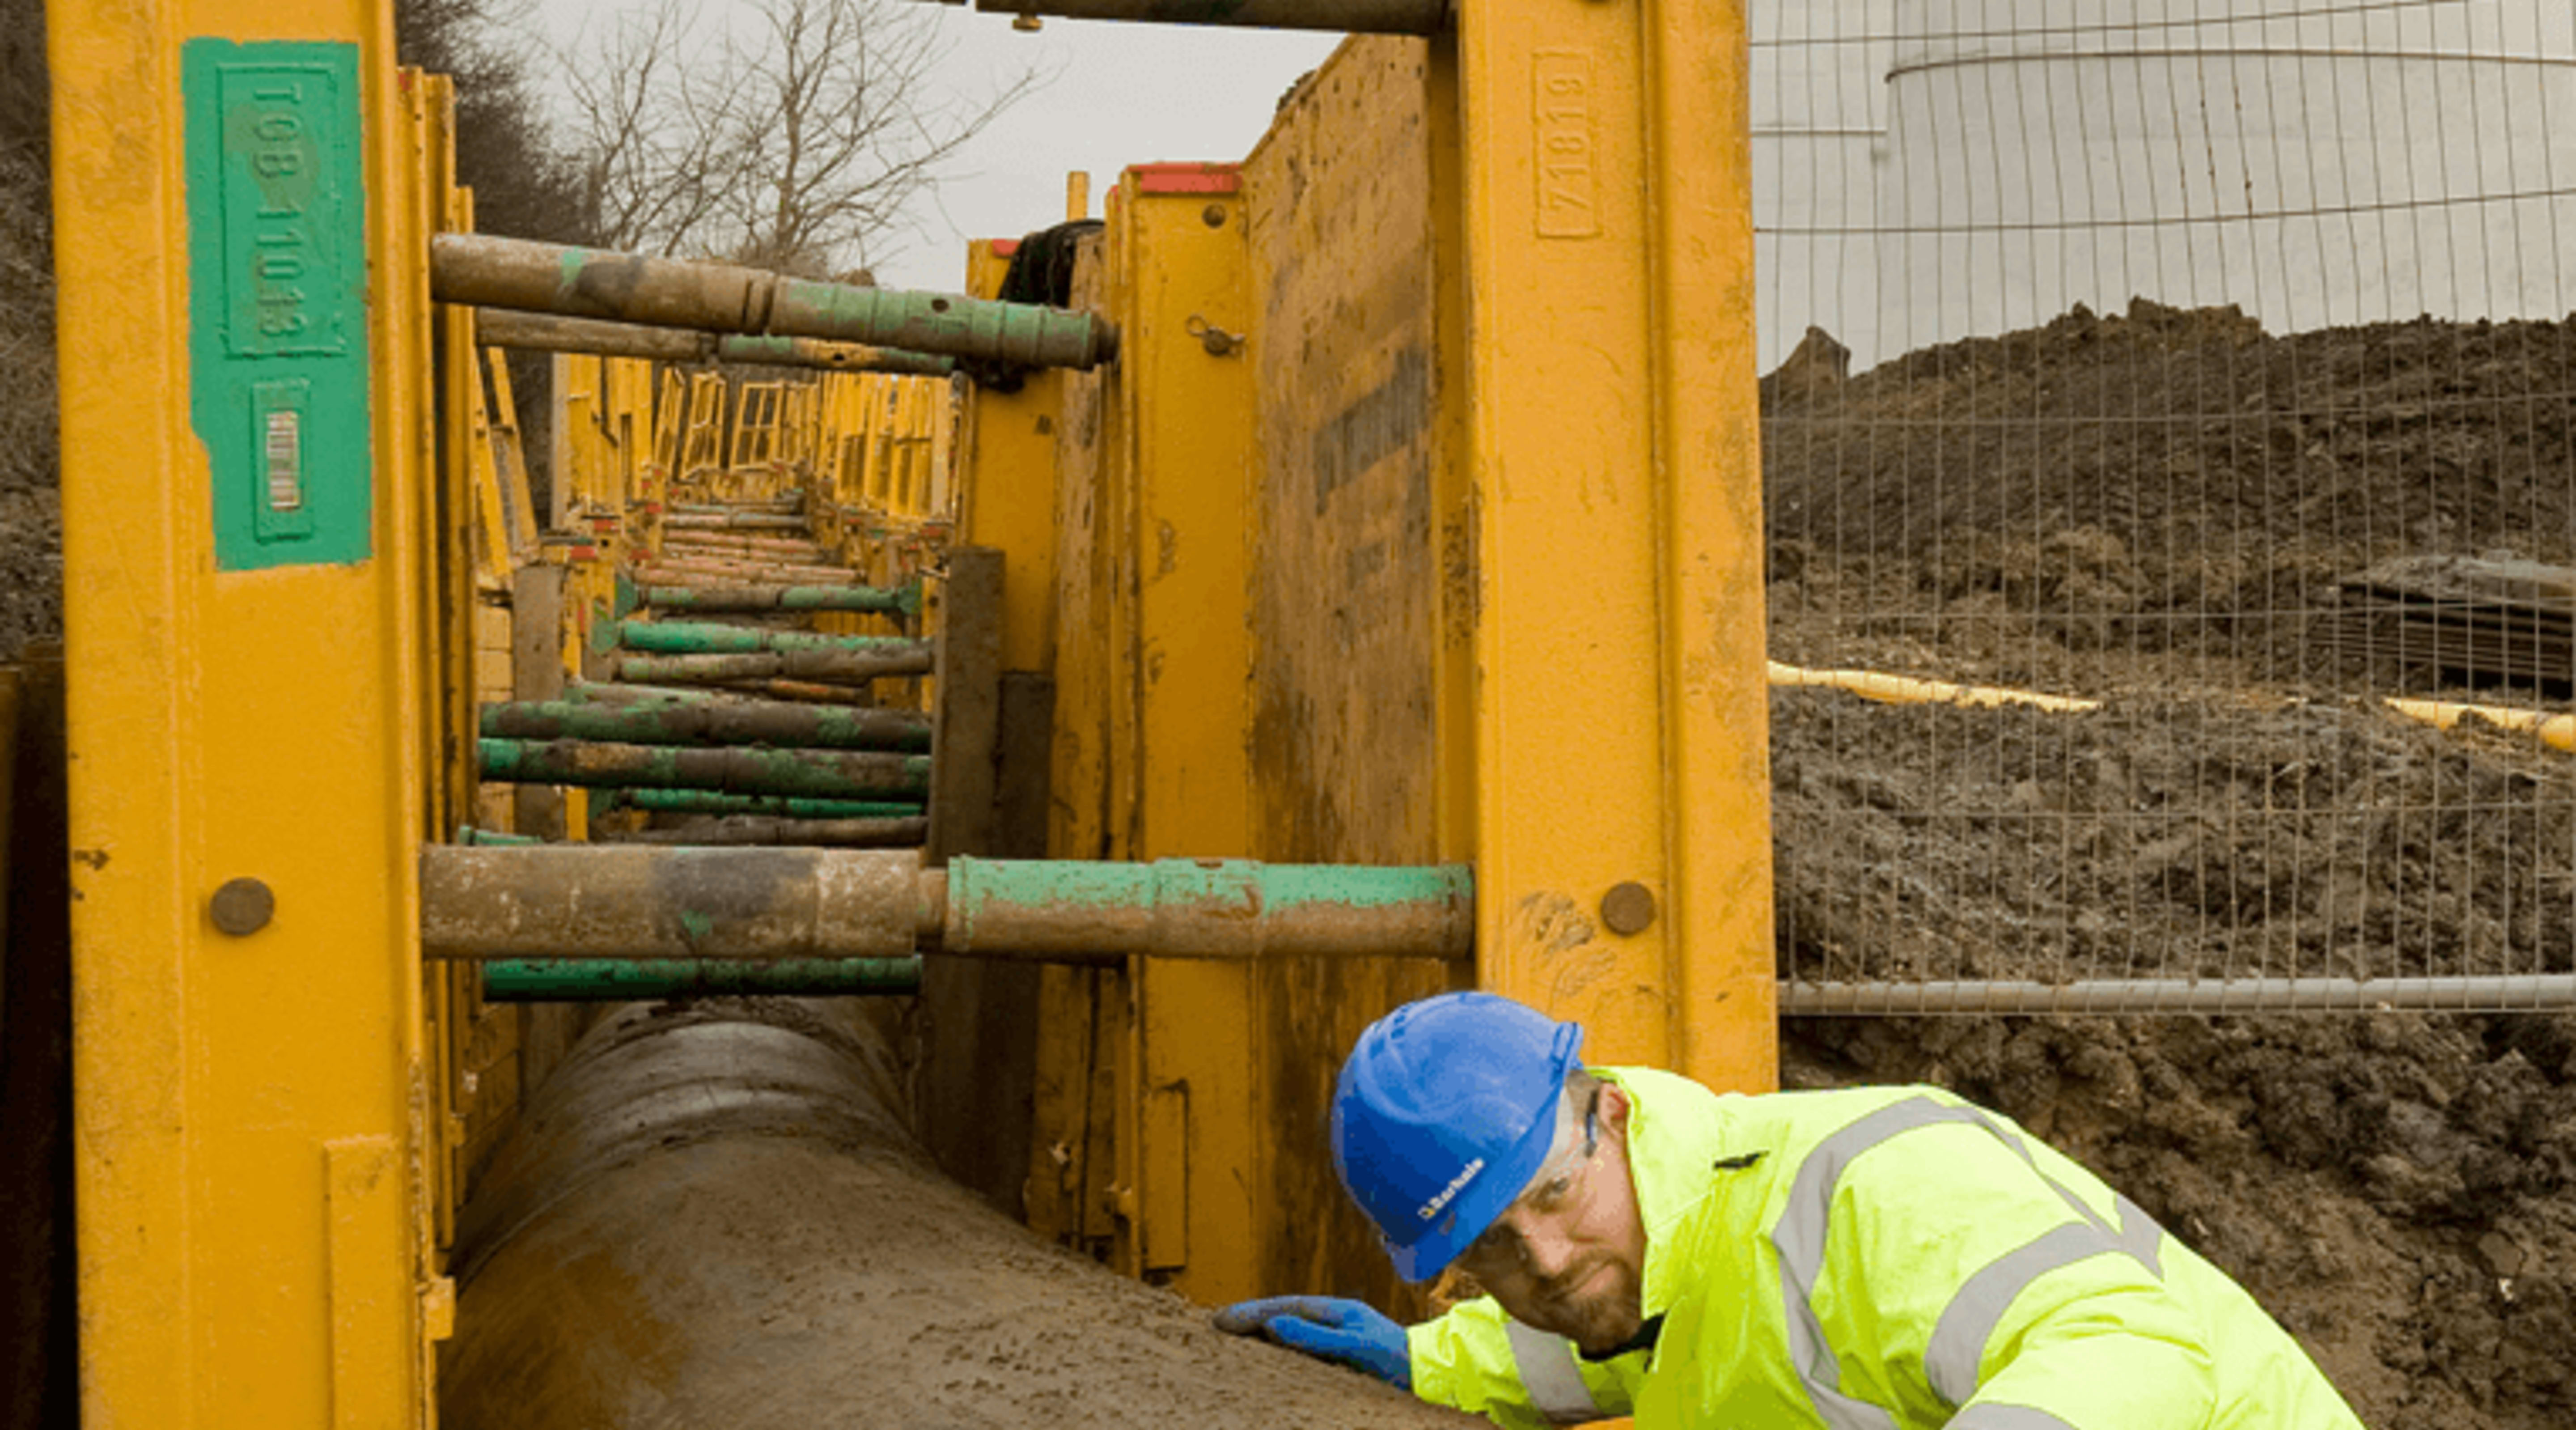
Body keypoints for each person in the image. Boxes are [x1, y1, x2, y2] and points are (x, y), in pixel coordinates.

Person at [1215, 991, 2364, 1429]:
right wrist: (1429, 1369)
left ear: (1610, 1117)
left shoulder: (1877, 1182)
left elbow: (2133, 1347)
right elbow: (1610, 1347)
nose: (1548, 1263)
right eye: (1491, 1253)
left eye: (1554, 1196)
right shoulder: (1649, 1272)